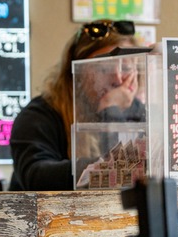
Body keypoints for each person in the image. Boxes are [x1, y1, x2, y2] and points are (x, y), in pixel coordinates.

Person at [8, 20, 144, 191]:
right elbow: (36, 176)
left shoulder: (139, 112)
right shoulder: (39, 115)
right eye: (103, 68)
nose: (117, 79)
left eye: (125, 68)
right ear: (75, 74)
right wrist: (111, 112)